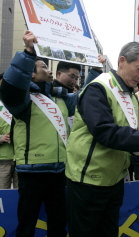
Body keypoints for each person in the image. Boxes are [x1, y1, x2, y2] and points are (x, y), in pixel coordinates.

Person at [65, 41, 139, 236]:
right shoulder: (98, 88)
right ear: (122, 61)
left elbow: (125, 132)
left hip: (114, 179)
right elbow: (103, 130)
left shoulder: (130, 95)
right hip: (89, 179)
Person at [0, 31, 69, 236]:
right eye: (44, 66)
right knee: (27, 224)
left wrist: (95, 69)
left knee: (58, 224)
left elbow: (86, 97)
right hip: (31, 173)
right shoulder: (22, 100)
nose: (48, 71)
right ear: (31, 72)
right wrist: (28, 52)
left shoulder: (59, 99)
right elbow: (11, 85)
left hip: (60, 172)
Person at [0, 73, 17, 189]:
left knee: (20, 194)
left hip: (20, 159)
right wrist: (0, 138)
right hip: (3, 159)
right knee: (2, 192)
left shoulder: (20, 103)